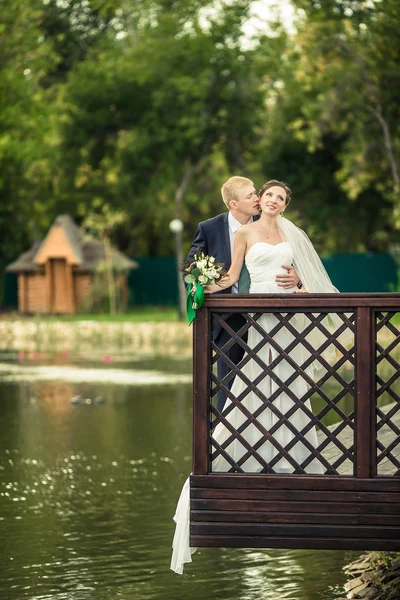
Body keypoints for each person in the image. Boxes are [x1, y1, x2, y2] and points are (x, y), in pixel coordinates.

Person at [171, 179, 346, 575]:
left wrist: (298, 285)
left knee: (291, 380)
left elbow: (308, 280)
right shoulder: (244, 232)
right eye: (266, 195)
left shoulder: (291, 234)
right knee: (257, 380)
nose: (269, 200)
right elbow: (233, 276)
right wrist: (203, 285)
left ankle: (295, 454)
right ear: (256, 201)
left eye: (279, 197)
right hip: (260, 317)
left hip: (289, 314)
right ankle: (246, 452)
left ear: (283, 205)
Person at [186, 176, 300, 412]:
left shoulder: (271, 222)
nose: (258, 198)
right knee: (232, 381)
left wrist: (297, 277)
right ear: (233, 204)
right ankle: (227, 441)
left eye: (256, 193)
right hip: (230, 316)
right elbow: (193, 266)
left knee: (277, 375)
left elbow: (294, 261)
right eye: (250, 195)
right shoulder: (209, 228)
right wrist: (200, 286)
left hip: (273, 311)